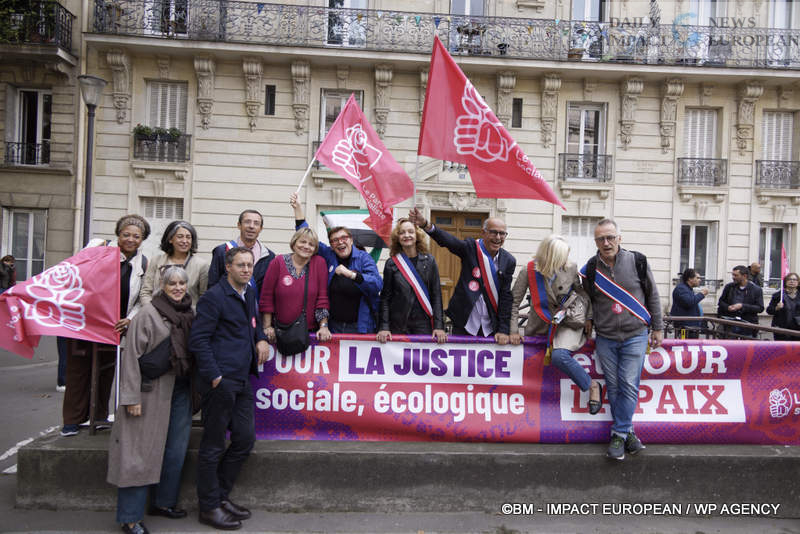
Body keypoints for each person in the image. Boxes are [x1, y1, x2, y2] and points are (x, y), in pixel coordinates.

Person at [107, 266, 195, 534]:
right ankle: (129, 517)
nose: (178, 288)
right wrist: (130, 397)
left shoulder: (189, 313)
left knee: (174, 450)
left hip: (179, 389)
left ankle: (163, 503)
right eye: (172, 284)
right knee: (138, 453)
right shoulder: (148, 314)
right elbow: (131, 357)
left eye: (182, 283)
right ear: (162, 285)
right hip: (148, 391)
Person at [189, 247, 269, 530]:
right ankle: (208, 507)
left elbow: (253, 324)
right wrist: (214, 376)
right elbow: (198, 339)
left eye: (249, 265)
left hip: (242, 379)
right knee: (212, 446)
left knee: (245, 439)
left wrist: (260, 338)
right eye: (241, 265)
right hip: (220, 381)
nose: (246, 269)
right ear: (228, 268)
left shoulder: (248, 293)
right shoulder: (214, 297)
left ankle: (220, 497)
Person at [61, 214, 151, 437]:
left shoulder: (143, 263)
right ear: (118, 235)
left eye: (136, 236)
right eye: (126, 234)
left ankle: (98, 416)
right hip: (86, 321)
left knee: (105, 371)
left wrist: (130, 318)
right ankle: (72, 420)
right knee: (78, 370)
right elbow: (76, 272)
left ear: (142, 239)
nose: (131, 239)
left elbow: (140, 297)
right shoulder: (100, 250)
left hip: (115, 325)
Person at [581, 218, 663, 460]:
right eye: (600, 239)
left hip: (635, 335)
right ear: (595, 241)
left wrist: (657, 327)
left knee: (628, 384)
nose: (606, 243)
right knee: (614, 386)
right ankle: (629, 434)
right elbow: (587, 300)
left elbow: (653, 295)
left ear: (619, 238)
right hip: (605, 337)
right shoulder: (591, 268)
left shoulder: (637, 261)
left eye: (610, 237)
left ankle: (618, 434)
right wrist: (587, 320)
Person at [509, 235, 600, 412]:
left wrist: (589, 317)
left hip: (568, 323)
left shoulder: (571, 267)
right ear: (550, 255)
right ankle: (539, 410)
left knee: (559, 356)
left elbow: (581, 293)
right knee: (537, 372)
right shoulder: (528, 270)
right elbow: (513, 302)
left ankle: (592, 386)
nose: (566, 259)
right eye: (562, 256)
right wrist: (513, 330)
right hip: (540, 324)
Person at [409, 207, 515, 344]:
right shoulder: (471, 247)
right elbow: (449, 241)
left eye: (502, 234)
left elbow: (506, 297)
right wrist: (425, 225)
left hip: (491, 327)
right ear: (483, 233)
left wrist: (503, 330)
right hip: (465, 323)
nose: (498, 238)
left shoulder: (509, 261)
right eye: (494, 233)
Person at [289, 193, 381, 334]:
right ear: (331, 245)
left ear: (351, 240)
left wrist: (352, 275)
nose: (340, 242)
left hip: (359, 327)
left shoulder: (364, 258)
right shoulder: (329, 255)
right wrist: (298, 209)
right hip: (333, 327)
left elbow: (377, 284)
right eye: (334, 240)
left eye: (343, 238)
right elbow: (306, 236)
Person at [376, 219, 446, 343]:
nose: (407, 235)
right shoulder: (391, 264)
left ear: (417, 235)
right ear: (397, 237)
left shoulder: (429, 261)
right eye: (402, 233)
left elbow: (436, 296)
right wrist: (384, 327)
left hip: (423, 325)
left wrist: (439, 326)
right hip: (398, 325)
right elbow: (385, 298)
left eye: (410, 232)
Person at [260, 227, 331, 347]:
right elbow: (267, 297)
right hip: (279, 332)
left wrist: (323, 326)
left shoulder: (319, 263)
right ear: (294, 242)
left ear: (315, 249)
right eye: (302, 242)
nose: (306, 246)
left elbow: (322, 298)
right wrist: (267, 326)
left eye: (311, 244)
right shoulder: (278, 262)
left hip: (308, 333)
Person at [140, 220, 208, 309]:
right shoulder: (156, 261)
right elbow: (145, 292)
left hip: (187, 318)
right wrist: (152, 312)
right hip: (157, 316)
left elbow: (204, 297)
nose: (184, 241)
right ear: (170, 239)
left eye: (188, 237)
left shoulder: (201, 265)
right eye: (180, 237)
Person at [208, 210, 275, 297]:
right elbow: (212, 285)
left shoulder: (269, 256)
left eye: (256, 223)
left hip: (256, 308)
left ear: (261, 228)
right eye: (247, 222)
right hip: (227, 307)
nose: (251, 226)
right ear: (239, 225)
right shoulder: (222, 251)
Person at [717, 265, 764, 337]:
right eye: (733, 275)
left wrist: (742, 306)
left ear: (744, 276)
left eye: (736, 275)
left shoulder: (756, 289)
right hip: (730, 324)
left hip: (747, 325)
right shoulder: (729, 287)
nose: (733, 277)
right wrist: (728, 307)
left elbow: (760, 308)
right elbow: (721, 302)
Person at [669, 268, 708, 339]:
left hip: (690, 327)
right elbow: (689, 302)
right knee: (685, 347)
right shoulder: (681, 289)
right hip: (685, 328)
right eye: (697, 278)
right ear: (690, 279)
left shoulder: (687, 289)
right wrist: (701, 294)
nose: (700, 280)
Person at [766, 272, 800, 341]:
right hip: (781, 328)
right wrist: (776, 308)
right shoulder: (778, 295)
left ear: (798, 282)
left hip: (797, 328)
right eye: (789, 279)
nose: (792, 281)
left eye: (794, 279)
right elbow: (769, 310)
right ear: (785, 282)